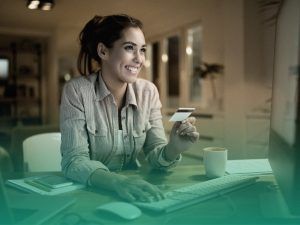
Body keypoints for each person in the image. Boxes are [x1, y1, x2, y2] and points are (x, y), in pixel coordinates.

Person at [60, 14, 199, 202]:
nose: (139, 59)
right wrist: (118, 183)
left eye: (142, 50)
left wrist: (173, 148)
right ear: (103, 51)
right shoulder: (76, 91)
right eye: (129, 48)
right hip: (90, 194)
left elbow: (155, 153)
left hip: (137, 190)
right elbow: (74, 162)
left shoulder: (148, 92)